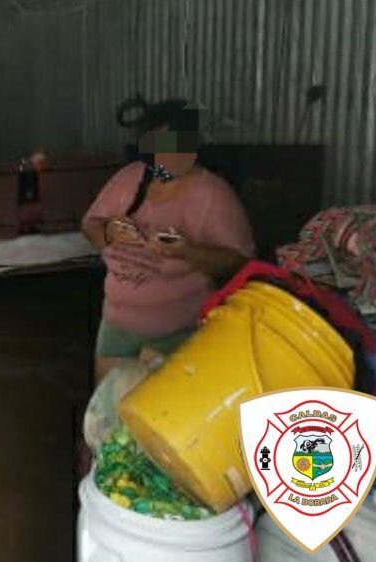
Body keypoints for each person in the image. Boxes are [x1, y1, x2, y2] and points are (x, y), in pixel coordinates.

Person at [81, 97, 256, 385]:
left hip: (177, 333)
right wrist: (109, 231)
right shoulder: (129, 179)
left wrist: (187, 251)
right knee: (110, 417)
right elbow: (90, 226)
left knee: (155, 418)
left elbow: (239, 263)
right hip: (116, 326)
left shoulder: (212, 194)